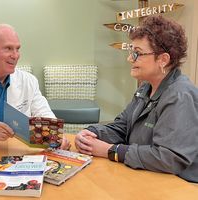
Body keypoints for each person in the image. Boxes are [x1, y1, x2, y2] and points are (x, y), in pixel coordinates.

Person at [75, 15, 198, 183]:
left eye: (137, 54)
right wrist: (91, 134)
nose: (129, 59)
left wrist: (112, 151)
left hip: (177, 186)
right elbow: (123, 127)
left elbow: (170, 158)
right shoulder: (145, 88)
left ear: (163, 59)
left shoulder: (180, 96)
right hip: (145, 177)